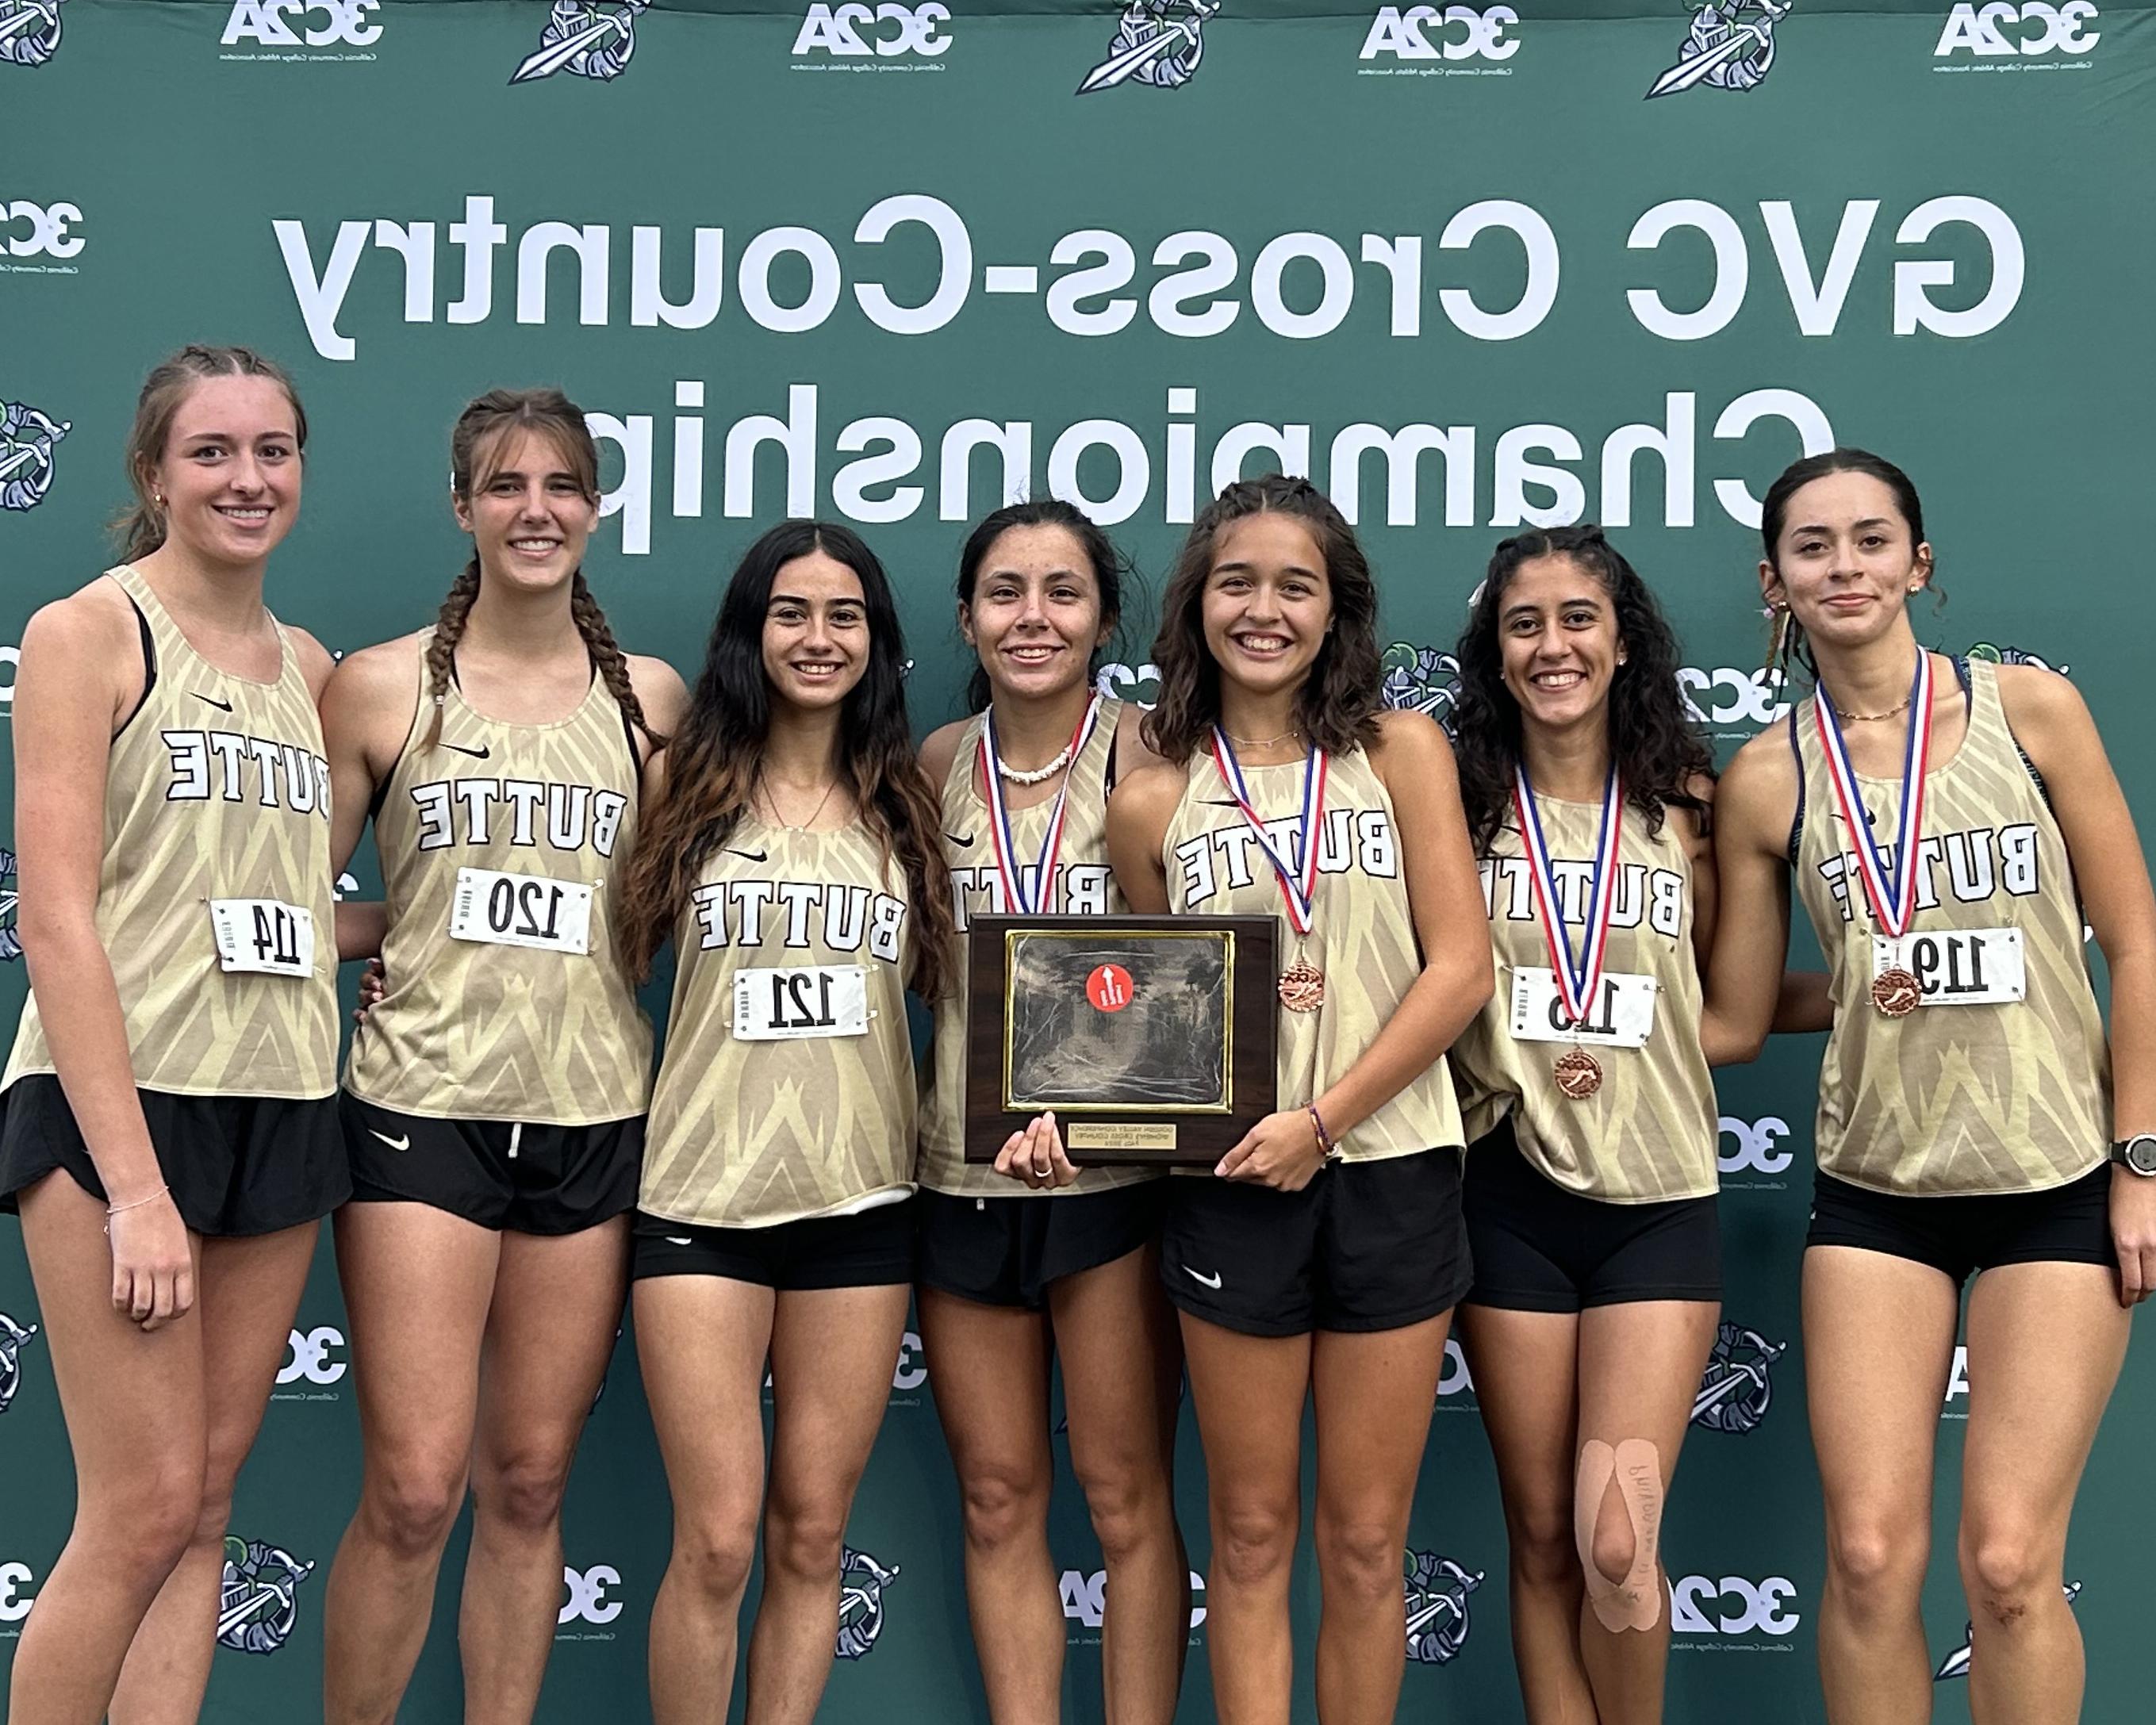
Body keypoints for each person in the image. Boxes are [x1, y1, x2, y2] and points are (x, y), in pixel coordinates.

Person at [1705, 448, 2156, 1725]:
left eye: (1867, 541)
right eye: (1810, 547)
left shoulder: (2032, 713)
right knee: (1863, 1559)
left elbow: (2136, 941)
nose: (1841, 567)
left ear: (1918, 563)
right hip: (1876, 1196)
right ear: (1772, 582)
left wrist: (2138, 1165)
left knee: (2009, 1566)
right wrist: (1535, 1026)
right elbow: (1741, 1015)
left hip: (2058, 1183)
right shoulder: (1766, 778)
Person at [315, 388, 685, 1724]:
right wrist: (392, 935)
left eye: (564, 486)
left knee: (528, 1485)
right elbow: (288, 900)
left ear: (595, 507)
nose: (538, 510)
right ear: (461, 505)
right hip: (422, 1111)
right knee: (416, 1490)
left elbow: (675, 911)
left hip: (591, 1113)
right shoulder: (379, 681)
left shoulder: (647, 701)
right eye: (508, 486)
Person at [1105, 473, 1492, 1725]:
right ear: (1196, 603)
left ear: (1338, 610)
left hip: (1388, 1169)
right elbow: (1148, 1021)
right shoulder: (1153, 796)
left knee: (1369, 1543)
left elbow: (1459, 969)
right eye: (1236, 582)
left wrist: (1321, 1124)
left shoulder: (1400, 750)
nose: (1262, 609)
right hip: (1230, 1186)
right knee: (1252, 1535)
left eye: (1294, 585)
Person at [0, 345, 343, 1725]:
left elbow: (268, 895)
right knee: (136, 1514)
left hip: (275, 1101)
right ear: (153, 474)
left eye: (271, 451)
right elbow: (60, 917)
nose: (245, 479)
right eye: (211, 452)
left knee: (203, 1510)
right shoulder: (93, 630)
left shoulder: (307, 665)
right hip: (115, 1113)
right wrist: (133, 1189)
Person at [615, 521, 956, 1725]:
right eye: (792, 613)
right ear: (749, 633)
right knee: (714, 1541)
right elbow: (581, 954)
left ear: (878, 642)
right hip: (699, 1206)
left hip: (860, 1210)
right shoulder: (679, 780)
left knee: (812, 1536)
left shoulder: (906, 805)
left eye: (845, 615)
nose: (819, 638)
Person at [915, 500, 1187, 1723]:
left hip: (1112, 1186)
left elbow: (1194, 988)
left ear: (1104, 618)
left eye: (1062, 592)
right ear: (967, 619)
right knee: (996, 1493)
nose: (1033, 617)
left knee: (1126, 1498)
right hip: (960, 1173)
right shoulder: (927, 768)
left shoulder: (1157, 761)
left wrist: (1092, 1117)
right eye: (1006, 593)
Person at [1445, 524, 1721, 1725]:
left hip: (1657, 1192)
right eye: (1524, 624)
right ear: (1493, 653)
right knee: (1547, 1535)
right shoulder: (1453, 801)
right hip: (1504, 1187)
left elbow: (1731, 996)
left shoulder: (1685, 807)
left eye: (1575, 619)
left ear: (1621, 643)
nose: (1551, 645)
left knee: (1620, 1536)